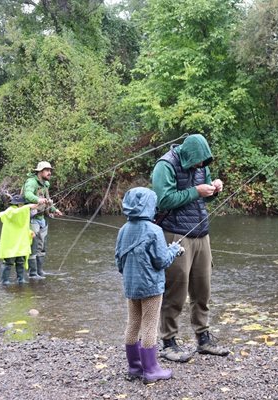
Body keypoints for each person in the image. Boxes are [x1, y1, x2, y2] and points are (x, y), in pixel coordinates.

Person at [151, 133, 229, 362]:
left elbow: (202, 198)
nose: (200, 166)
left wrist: (214, 189)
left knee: (202, 288)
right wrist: (196, 191)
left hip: (201, 233)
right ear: (189, 155)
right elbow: (163, 200)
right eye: (198, 162)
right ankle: (168, 342)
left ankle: (203, 339)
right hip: (175, 234)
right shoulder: (165, 165)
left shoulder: (202, 165)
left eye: (204, 163)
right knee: (176, 289)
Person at [115, 187, 183, 383]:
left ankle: (134, 367)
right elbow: (161, 261)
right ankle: (151, 370)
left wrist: (130, 275)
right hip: (151, 287)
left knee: (133, 323)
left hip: (131, 286)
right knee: (150, 326)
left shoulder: (123, 230)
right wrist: (175, 249)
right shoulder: (155, 230)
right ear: (148, 206)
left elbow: (118, 261)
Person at [22, 161, 62, 279]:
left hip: (42, 218)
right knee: (33, 245)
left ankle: (40, 271)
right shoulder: (31, 182)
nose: (49, 172)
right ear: (40, 171)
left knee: (42, 245)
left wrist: (55, 210)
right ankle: (32, 273)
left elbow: (48, 201)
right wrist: (37, 200)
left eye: (50, 170)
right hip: (32, 218)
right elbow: (27, 195)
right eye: (47, 170)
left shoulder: (46, 184)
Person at [0, 195, 38, 285]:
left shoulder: (23, 211)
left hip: (20, 242)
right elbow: (16, 213)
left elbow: (22, 226)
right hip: (11, 243)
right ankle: (5, 281)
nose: (23, 205)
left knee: (20, 261)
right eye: (22, 204)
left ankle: (20, 279)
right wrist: (28, 206)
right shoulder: (10, 211)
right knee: (8, 262)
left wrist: (30, 232)